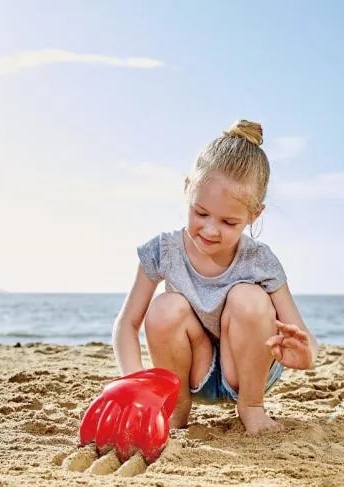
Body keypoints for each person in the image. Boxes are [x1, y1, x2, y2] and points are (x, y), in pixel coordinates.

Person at [112, 119, 318, 434]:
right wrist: (134, 380)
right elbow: (127, 324)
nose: (210, 230)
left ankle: (251, 407)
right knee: (165, 307)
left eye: (228, 222)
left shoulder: (259, 260)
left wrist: (306, 356)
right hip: (195, 370)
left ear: (254, 215)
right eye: (201, 213)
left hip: (248, 371)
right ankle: (176, 409)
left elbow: (303, 336)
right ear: (187, 190)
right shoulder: (163, 251)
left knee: (247, 297)